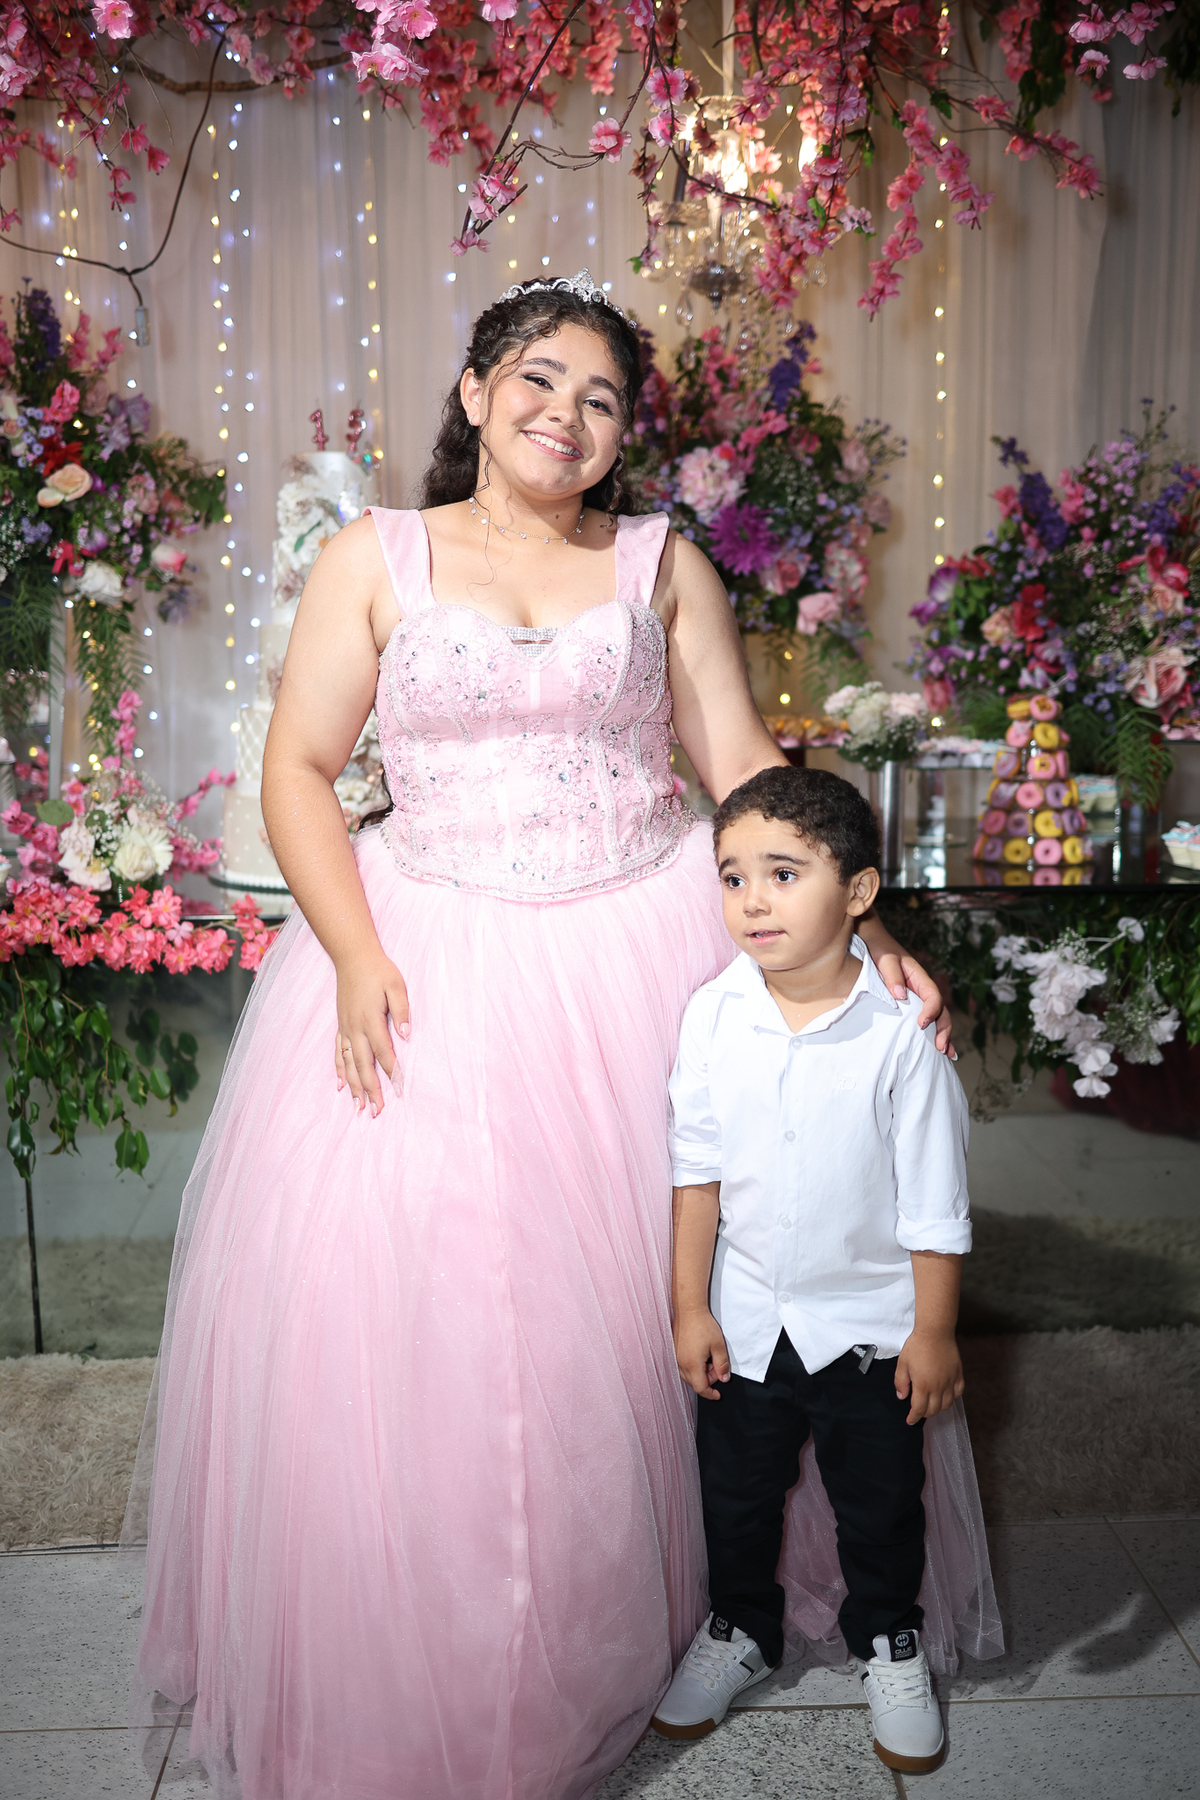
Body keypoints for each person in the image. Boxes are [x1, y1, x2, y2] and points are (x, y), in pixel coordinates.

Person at [126, 273, 964, 1800]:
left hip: (641, 948)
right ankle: (446, 1641)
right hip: (427, 946)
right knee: (440, 1313)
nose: (566, 416)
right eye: (537, 380)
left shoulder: (661, 564)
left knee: (675, 1299)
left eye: (601, 399)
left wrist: (859, 921)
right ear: (474, 392)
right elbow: (299, 769)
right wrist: (358, 952)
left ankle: (697, 1605)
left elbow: (740, 761)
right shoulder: (373, 557)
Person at [653, 764, 999, 1772]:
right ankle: (740, 1628)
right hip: (749, 1322)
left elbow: (934, 1203)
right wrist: (689, 1308)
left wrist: (933, 1332)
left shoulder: (902, 1034)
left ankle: (887, 1640)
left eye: (783, 873)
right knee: (737, 1497)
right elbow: (696, 1175)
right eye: (732, 877)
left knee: (879, 1504)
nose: (752, 901)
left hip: (869, 1330)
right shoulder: (712, 1015)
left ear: (857, 892)